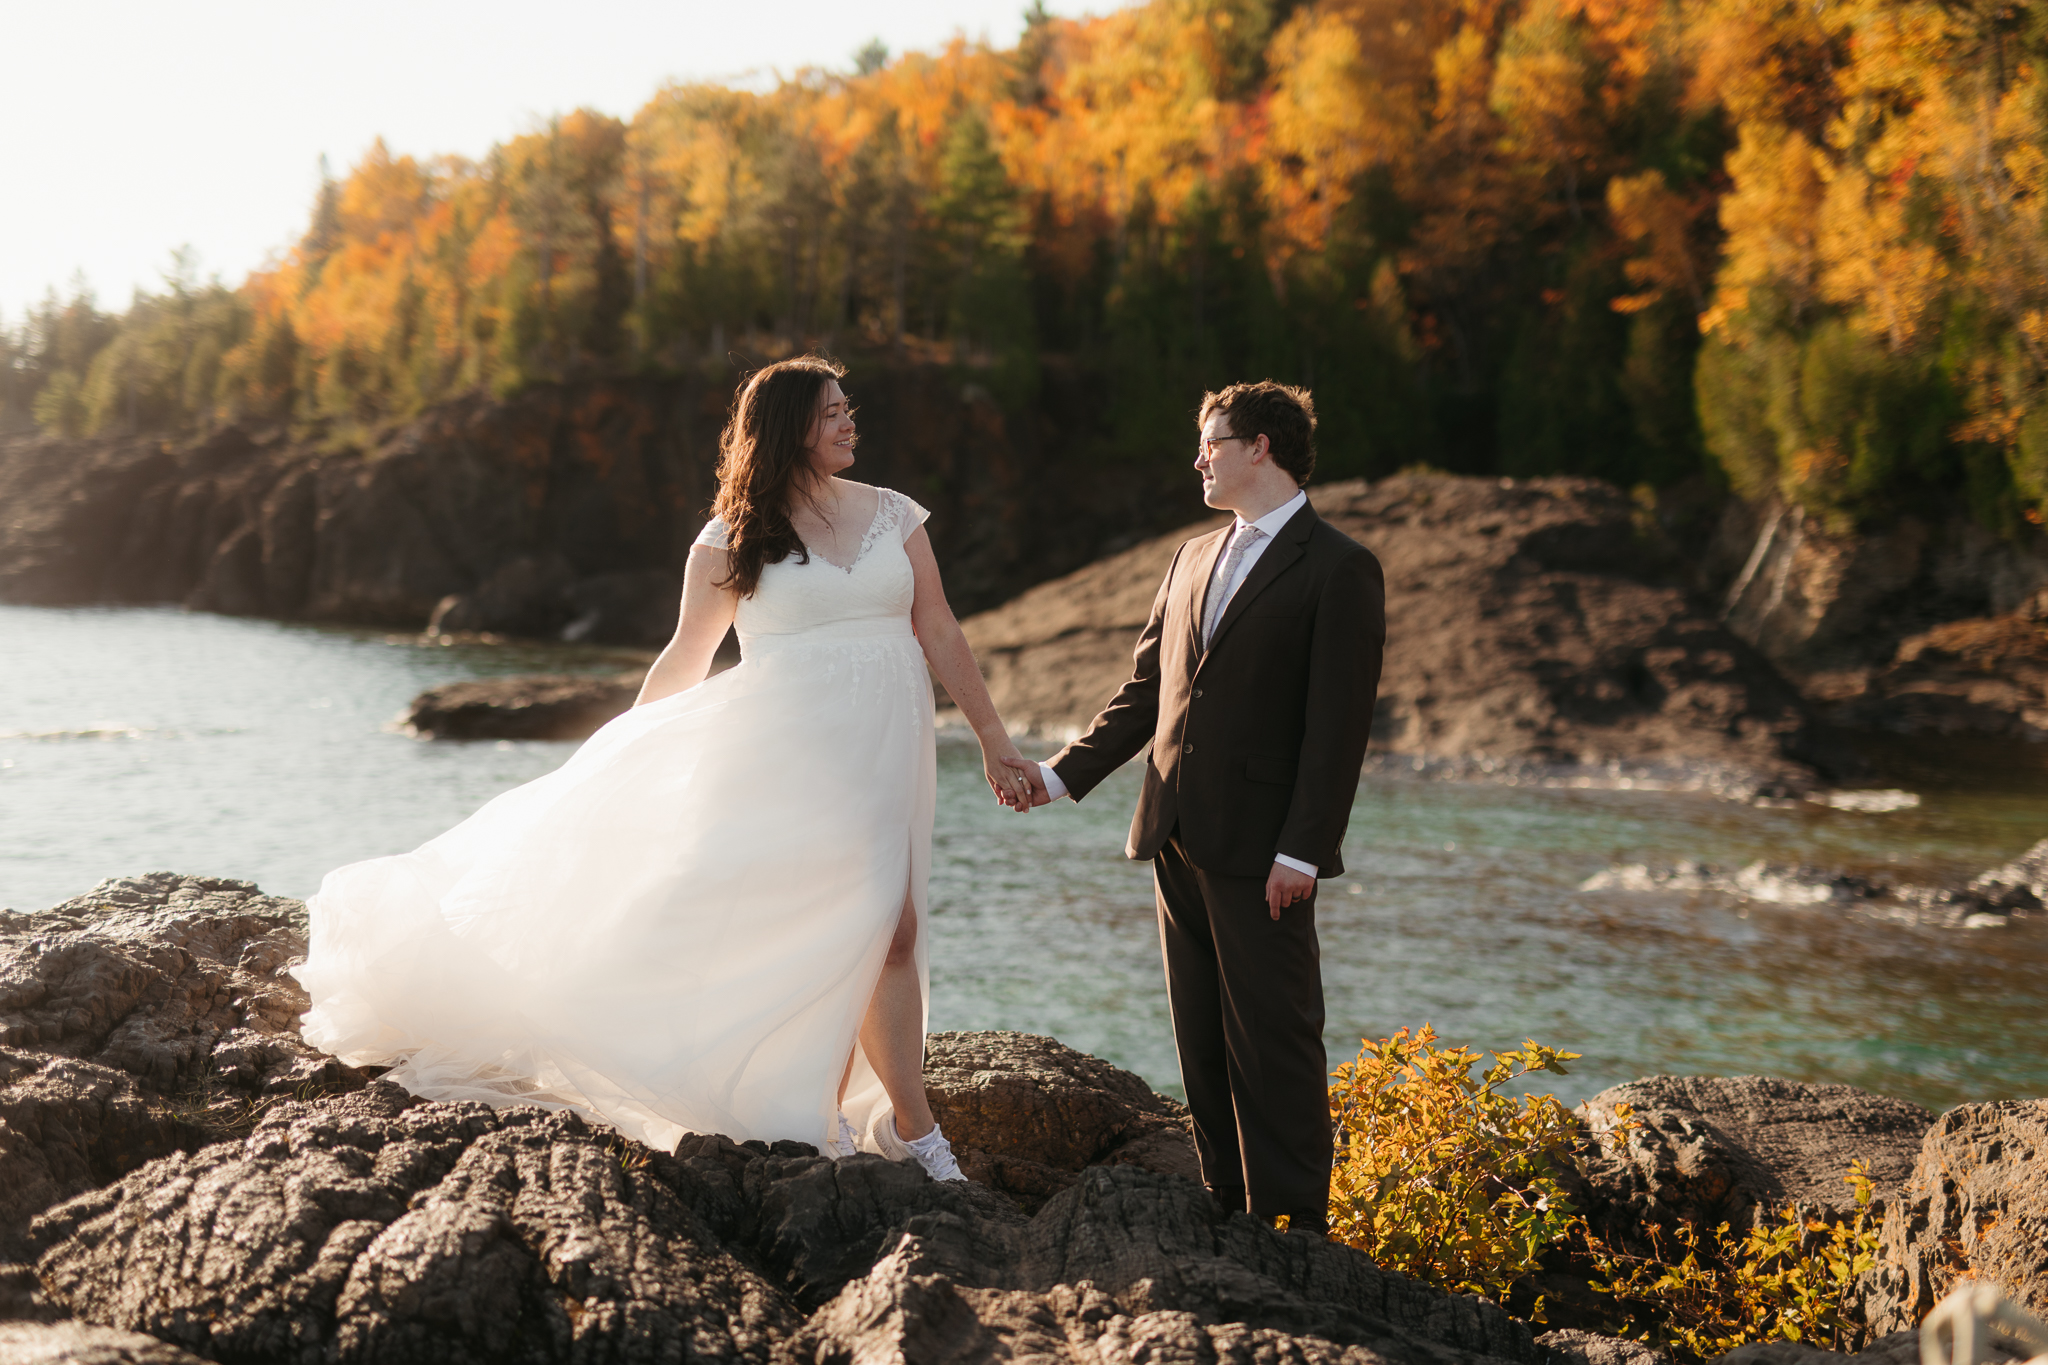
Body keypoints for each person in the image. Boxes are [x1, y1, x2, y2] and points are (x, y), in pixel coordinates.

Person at [295, 355, 1036, 1181]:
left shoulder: (895, 515)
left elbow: (938, 628)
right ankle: (910, 1128)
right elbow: (686, 659)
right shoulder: (730, 538)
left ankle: (864, 1117)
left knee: (883, 930)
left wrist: (992, 737)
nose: (849, 422)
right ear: (790, 426)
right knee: (871, 925)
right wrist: (613, 759)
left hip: (885, 749)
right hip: (785, 760)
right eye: (832, 412)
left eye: (847, 408)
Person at [1004, 381, 1385, 1235]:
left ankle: (1292, 1227)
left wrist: (1304, 850)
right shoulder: (1189, 558)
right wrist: (1059, 776)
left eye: (1213, 441)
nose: (1200, 457)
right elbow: (1147, 692)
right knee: (1202, 1036)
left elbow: (1339, 728)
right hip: (1173, 831)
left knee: (1277, 1041)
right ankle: (1226, 1204)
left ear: (1262, 447)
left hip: (1265, 851)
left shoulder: (1340, 565)